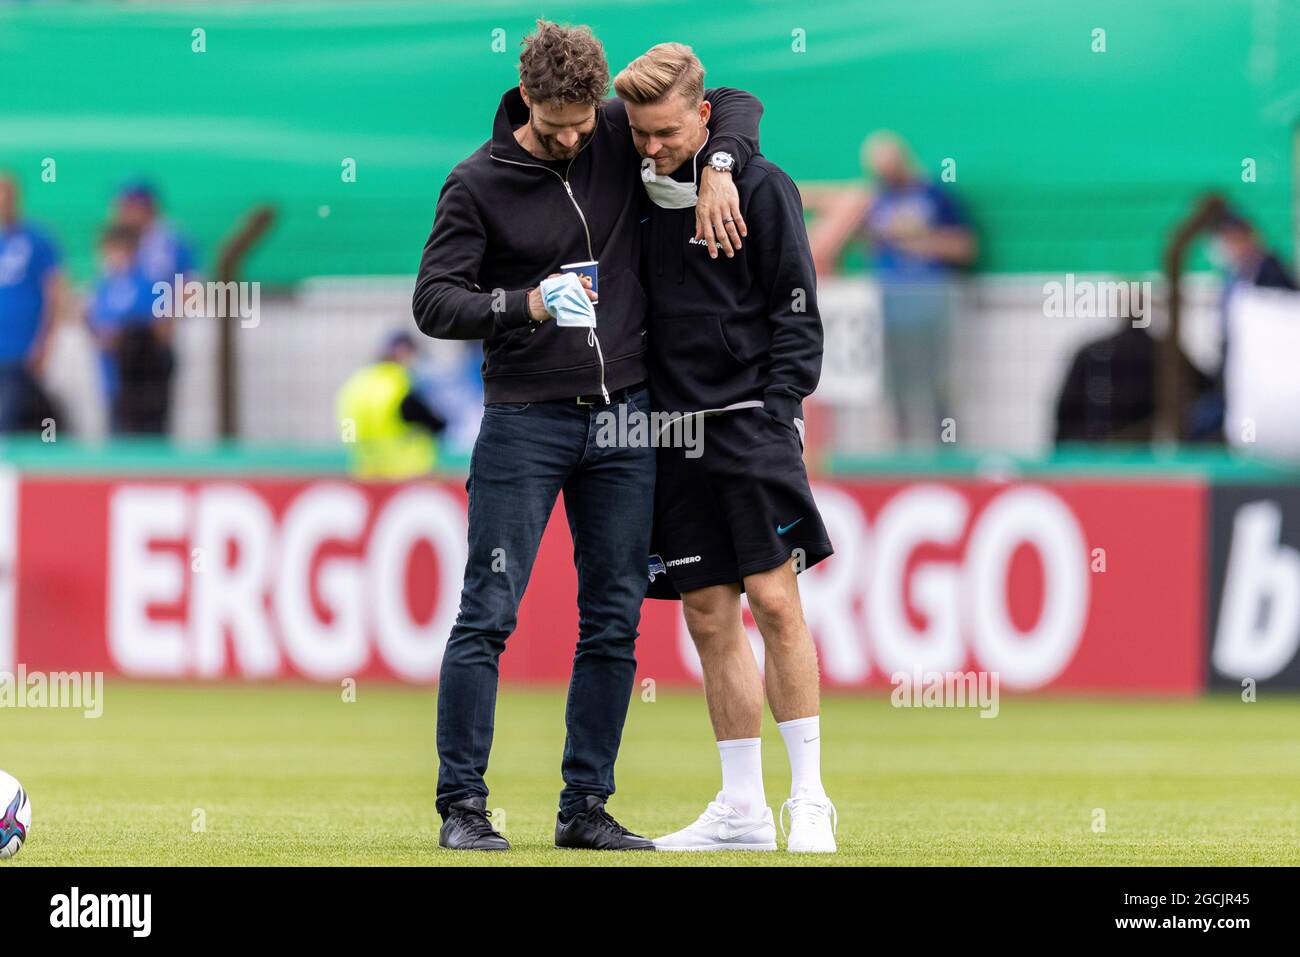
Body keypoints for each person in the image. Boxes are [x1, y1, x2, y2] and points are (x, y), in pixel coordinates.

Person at [411, 19, 761, 851]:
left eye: (583, 119)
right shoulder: (476, 183)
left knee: (613, 617)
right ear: (526, 98)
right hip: (524, 421)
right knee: (487, 614)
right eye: (557, 121)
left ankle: (585, 807)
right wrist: (523, 302)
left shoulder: (614, 126)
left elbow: (734, 104)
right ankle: (463, 806)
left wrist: (717, 169)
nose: (575, 136)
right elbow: (433, 302)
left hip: (625, 417)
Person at [614, 43, 837, 852]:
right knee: (709, 616)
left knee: (776, 602)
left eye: (666, 132)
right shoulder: (627, 184)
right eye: (639, 132)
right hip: (667, 434)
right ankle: (743, 808)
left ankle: (809, 797)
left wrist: (780, 410)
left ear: (702, 118)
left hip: (750, 424)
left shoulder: (762, 187)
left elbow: (798, 310)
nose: (650, 147)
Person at [860, 132, 976, 447]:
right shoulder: (875, 200)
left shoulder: (936, 196)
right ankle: (901, 451)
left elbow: (964, 247)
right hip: (890, 308)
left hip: (932, 304)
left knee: (938, 383)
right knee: (895, 386)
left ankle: (945, 450)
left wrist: (916, 241)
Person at [87, 224, 174, 434]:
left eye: (115, 251)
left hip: (144, 386)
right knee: (117, 439)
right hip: (112, 379)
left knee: (148, 441)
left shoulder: (150, 284)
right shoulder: (103, 286)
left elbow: (163, 330)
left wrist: (126, 336)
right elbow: (95, 327)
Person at [0, 171, 64, 434]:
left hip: (20, 349)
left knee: (10, 416)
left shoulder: (37, 239)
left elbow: (55, 290)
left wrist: (45, 342)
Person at [336, 331, 446, 479]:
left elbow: (346, 429)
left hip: (365, 474)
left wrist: (360, 451)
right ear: (403, 353)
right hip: (407, 475)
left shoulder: (355, 384)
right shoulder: (400, 383)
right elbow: (435, 424)